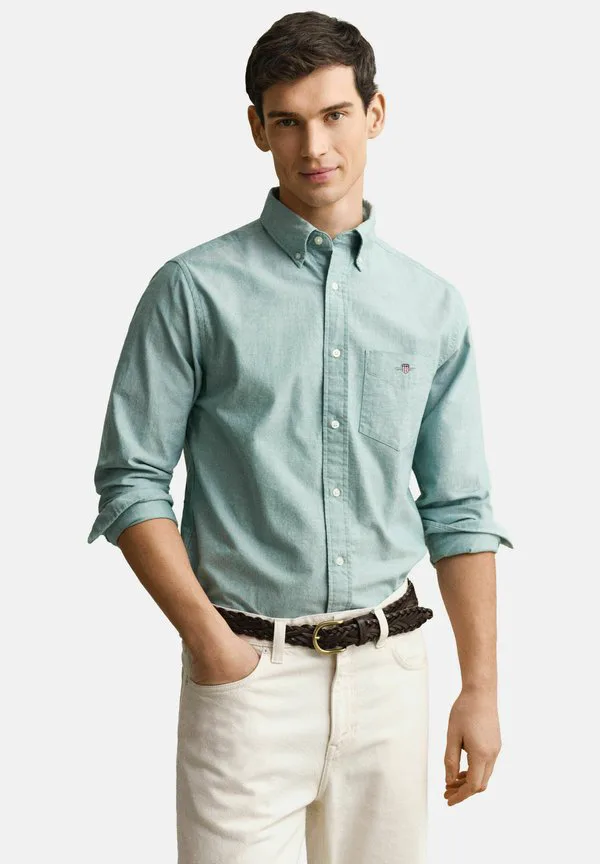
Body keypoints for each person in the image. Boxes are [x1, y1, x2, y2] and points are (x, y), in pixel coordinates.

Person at [88, 10, 514, 864]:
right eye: (287, 121)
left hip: (392, 678)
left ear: (375, 114)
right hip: (247, 675)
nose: (313, 145)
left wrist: (481, 687)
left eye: (334, 114)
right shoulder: (192, 290)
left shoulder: (432, 306)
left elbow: (459, 507)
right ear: (257, 128)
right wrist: (213, 646)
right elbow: (131, 481)